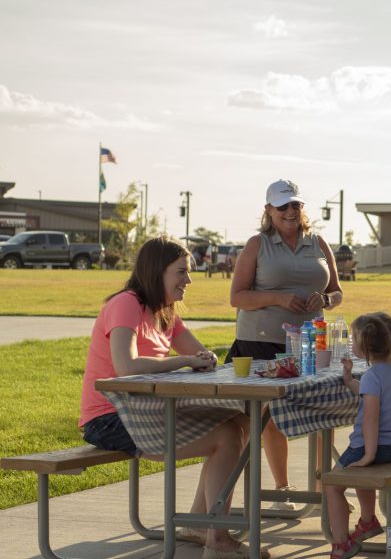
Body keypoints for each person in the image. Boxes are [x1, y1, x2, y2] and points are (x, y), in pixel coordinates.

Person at [78, 237, 262, 559]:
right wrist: (183, 361)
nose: (188, 280)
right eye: (181, 272)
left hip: (147, 410)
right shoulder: (126, 304)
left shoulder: (165, 312)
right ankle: (216, 537)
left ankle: (199, 523)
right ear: (156, 272)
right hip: (110, 418)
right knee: (227, 435)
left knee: (241, 421)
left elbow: (198, 352)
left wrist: (205, 359)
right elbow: (126, 367)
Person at [228, 179, 343, 507]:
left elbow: (337, 292)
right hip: (262, 341)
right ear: (269, 210)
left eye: (295, 205)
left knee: (321, 412)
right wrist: (278, 297)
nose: (290, 212)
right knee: (271, 418)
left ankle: (324, 488)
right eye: (283, 206)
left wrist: (326, 298)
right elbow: (237, 297)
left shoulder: (318, 242)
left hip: (310, 341)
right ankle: (281, 490)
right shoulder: (257, 244)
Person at [326, 312, 391, 559]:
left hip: (372, 446)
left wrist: (369, 454)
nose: (351, 343)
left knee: (332, 487)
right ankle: (367, 521)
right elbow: (369, 392)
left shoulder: (374, 376)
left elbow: (370, 419)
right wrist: (349, 380)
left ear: (364, 347)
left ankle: (341, 543)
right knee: (361, 473)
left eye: (353, 339)